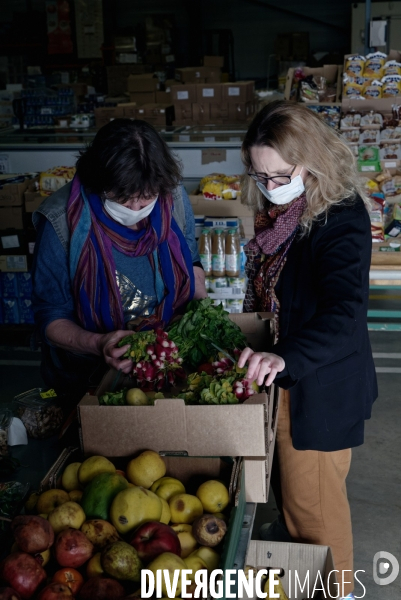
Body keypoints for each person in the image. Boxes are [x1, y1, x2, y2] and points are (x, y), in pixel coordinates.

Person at [237, 100, 377, 600]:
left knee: (317, 516)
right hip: (294, 381)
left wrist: (284, 356)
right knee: (299, 508)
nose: (270, 188)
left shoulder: (338, 219)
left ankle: (338, 593)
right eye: (260, 176)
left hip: (317, 388)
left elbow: (344, 315)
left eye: (279, 175)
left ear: (311, 160)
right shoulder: (287, 213)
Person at [32, 119, 206, 398]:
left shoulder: (171, 195)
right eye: (123, 198)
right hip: (87, 375)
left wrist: (201, 315)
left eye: (146, 198)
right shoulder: (60, 222)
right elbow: (50, 317)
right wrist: (99, 343)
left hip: (165, 364)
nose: (136, 207)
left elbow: (191, 262)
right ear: (98, 183)